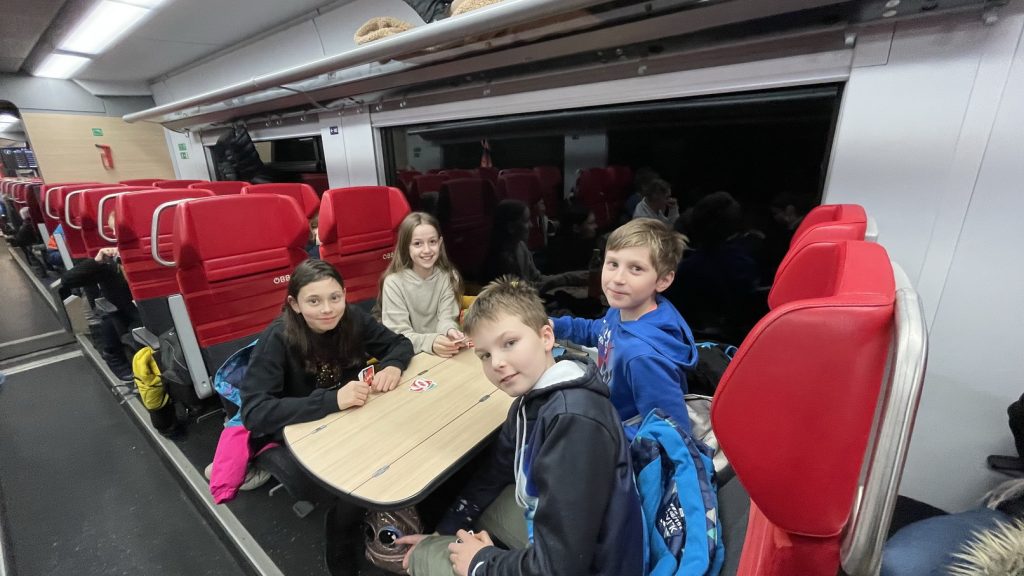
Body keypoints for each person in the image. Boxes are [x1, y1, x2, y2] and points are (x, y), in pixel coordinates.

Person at [396, 276, 644, 576]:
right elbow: (494, 474)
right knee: (469, 510)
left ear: (546, 337)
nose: (497, 363)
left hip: (595, 566)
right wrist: (444, 532)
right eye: (485, 355)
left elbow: (560, 568)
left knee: (423, 557)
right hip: (568, 541)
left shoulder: (573, 421)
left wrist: (481, 562)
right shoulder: (531, 401)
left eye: (509, 343)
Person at [238, 259, 414, 574]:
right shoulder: (277, 339)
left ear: (345, 294)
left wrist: (393, 365)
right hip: (301, 427)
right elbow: (254, 412)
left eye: (335, 297)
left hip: (349, 417)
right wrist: (332, 400)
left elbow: (400, 344)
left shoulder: (352, 318)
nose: (328, 309)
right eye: (314, 301)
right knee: (353, 481)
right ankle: (339, 539)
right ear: (294, 304)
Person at [552, 218, 697, 434]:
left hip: (618, 434)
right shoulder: (623, 310)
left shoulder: (642, 357)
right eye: (613, 264)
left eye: (636, 269)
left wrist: (603, 433)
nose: (618, 278)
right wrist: (553, 325)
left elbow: (672, 432)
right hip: (606, 410)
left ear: (663, 281)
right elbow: (600, 331)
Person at [378, 212, 468, 357]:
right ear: (406, 246)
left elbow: (446, 319)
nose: (427, 250)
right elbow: (398, 335)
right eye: (417, 243)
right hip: (409, 356)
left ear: (440, 243)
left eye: (432, 242)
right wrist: (430, 342)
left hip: (442, 353)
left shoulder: (449, 277)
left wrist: (450, 331)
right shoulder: (393, 283)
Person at [483, 199, 585, 292]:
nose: (531, 225)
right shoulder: (502, 260)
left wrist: (571, 277)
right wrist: (564, 279)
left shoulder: (521, 246)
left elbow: (536, 278)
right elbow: (518, 288)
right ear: (511, 227)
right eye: (526, 221)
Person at [544, 203, 598, 273]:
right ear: (576, 228)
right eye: (591, 223)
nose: (596, 226)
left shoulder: (590, 242)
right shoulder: (560, 251)